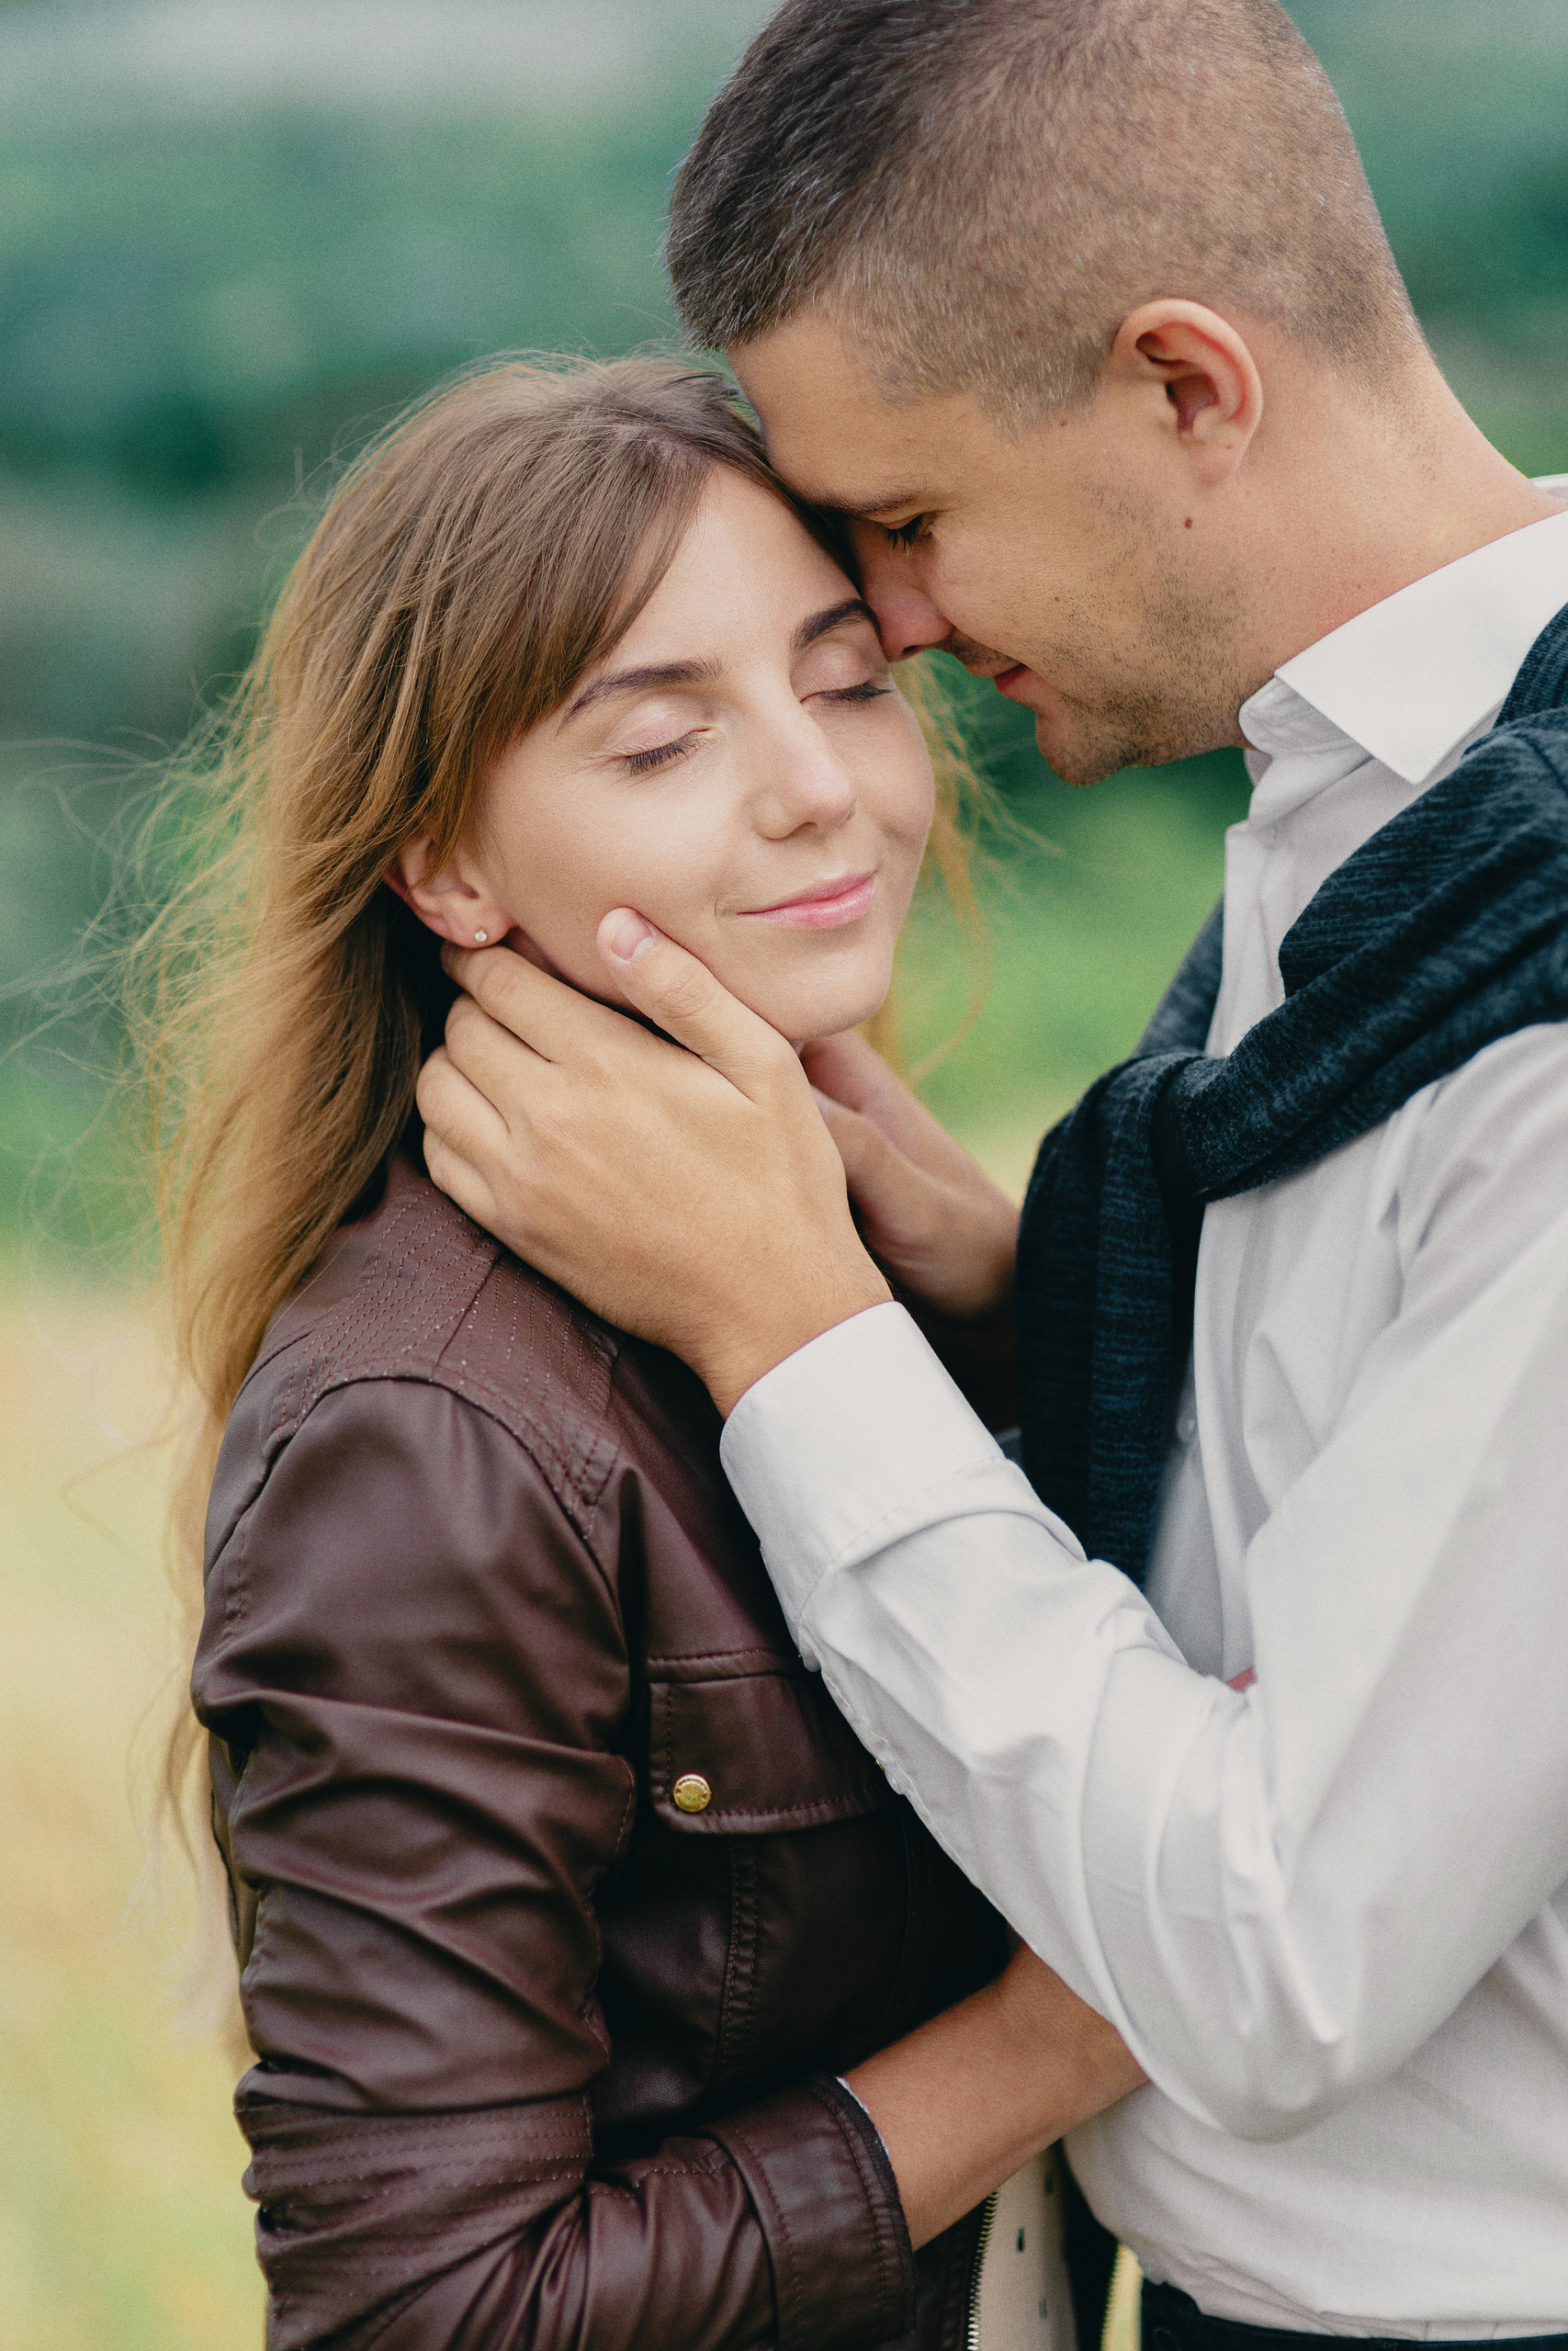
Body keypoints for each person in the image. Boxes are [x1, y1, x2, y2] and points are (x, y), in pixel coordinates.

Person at [413, 2, 1568, 2343]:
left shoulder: (1529, 957)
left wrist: (794, 1334)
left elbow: (1273, 1956)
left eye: (913, 522)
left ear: (1182, 385)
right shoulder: (1388, 797)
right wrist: (1023, 1281)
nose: (904, 626)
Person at [159, 355, 1141, 2351]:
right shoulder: (434, 1433)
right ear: (443, 862)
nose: (815, 784)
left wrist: (1008, 1316)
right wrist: (1062, 2032)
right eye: (663, 738)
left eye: (845, 681)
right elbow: (423, 2309)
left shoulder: (871, 1274)